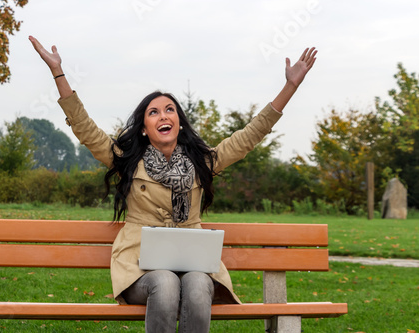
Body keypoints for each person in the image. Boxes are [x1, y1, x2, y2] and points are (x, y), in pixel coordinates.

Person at [29, 35, 317, 333]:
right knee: (165, 282)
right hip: (140, 269)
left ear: (178, 121)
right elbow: (84, 127)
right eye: (153, 112)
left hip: (193, 266)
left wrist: (290, 87)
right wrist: (57, 72)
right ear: (143, 129)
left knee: (196, 284)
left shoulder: (203, 162)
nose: (163, 115)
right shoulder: (126, 159)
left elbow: (249, 136)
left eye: (169, 110)